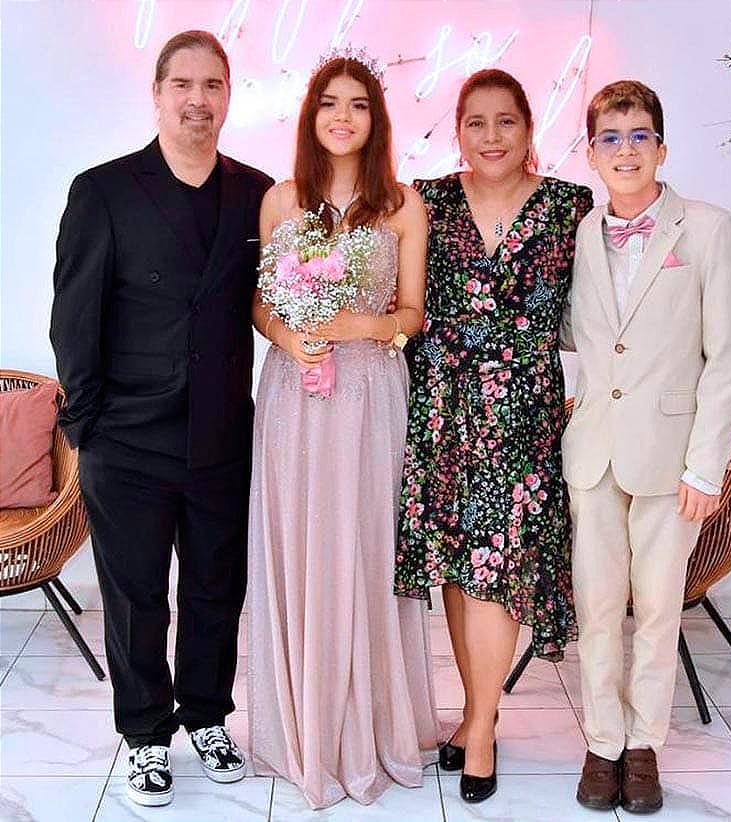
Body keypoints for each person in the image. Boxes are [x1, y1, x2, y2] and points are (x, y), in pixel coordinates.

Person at [50, 31, 273, 807]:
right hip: (127, 441)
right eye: (183, 84)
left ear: (228, 96)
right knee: (137, 596)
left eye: (213, 85)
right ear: (157, 94)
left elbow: (272, 303)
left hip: (222, 436)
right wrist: (88, 430)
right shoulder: (103, 191)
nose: (197, 100)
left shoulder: (258, 194)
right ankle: (146, 734)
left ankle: (206, 716)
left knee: (215, 589)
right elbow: (73, 320)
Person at [247, 48, 439, 810]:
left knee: (364, 546)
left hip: (368, 394)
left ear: (376, 119)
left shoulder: (403, 205)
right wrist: (286, 335)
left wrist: (364, 323)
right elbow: (261, 303)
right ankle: (302, 722)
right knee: (300, 544)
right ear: (310, 114)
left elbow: (413, 315)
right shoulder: (280, 199)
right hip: (293, 394)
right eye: (330, 102)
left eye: (358, 104)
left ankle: (370, 725)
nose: (342, 116)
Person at [394, 68, 593, 804]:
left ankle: (479, 730)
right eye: (475, 123)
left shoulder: (570, 207)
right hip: (443, 408)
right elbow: (399, 294)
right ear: (458, 132)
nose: (491, 136)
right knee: (456, 564)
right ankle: (478, 714)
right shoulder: (426, 199)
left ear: (529, 128)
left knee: (498, 567)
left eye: (505, 121)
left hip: (523, 414)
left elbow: (600, 306)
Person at [562, 80, 731, 814]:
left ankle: (644, 746)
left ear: (662, 148)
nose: (626, 150)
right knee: (596, 608)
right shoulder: (580, 235)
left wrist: (707, 465)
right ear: (591, 154)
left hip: (674, 460)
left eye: (639, 135)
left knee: (659, 610)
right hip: (594, 454)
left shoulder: (708, 230)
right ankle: (602, 742)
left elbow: (726, 359)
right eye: (610, 138)